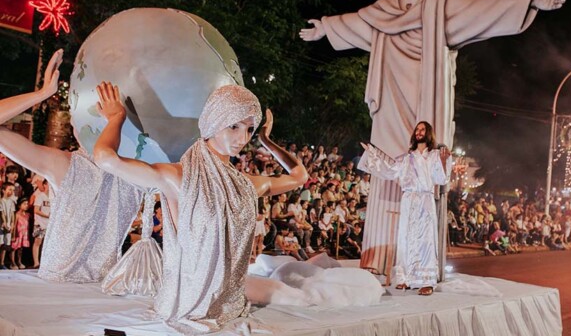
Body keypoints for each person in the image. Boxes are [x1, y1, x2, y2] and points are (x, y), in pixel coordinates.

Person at [300, 0, 567, 275]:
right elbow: (356, 23)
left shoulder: (440, 6)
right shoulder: (386, 9)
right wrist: (325, 27)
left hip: (424, 99)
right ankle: (379, 260)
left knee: (422, 176)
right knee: (386, 172)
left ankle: (419, 265)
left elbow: (484, 11)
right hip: (390, 104)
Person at [93, 82, 308, 333]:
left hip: (230, 306)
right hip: (187, 305)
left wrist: (266, 141)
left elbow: (299, 176)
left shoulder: (245, 184)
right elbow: (105, 158)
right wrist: (116, 118)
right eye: (234, 126)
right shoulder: (178, 177)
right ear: (214, 121)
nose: (243, 138)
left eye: (250, 129)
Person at [0, 49, 144, 282]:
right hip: (103, 291)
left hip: (58, 290)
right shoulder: (140, 172)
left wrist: (42, 93)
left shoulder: (69, 166)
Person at [358, 121, 451, 296]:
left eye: (422, 129)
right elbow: (388, 171)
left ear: (428, 133)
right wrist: (371, 153)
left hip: (425, 200)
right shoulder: (406, 158)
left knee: (425, 241)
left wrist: (444, 162)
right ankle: (405, 278)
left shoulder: (435, 155)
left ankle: (426, 281)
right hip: (408, 200)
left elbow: (441, 179)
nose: (419, 132)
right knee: (406, 238)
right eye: (417, 129)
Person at [10, 197, 30, 269]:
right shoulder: (17, 214)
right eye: (24, 204)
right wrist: (13, 235)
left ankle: (19, 261)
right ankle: (12, 262)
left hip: (24, 234)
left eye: (27, 204)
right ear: (19, 205)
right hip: (18, 234)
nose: (26, 205)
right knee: (14, 248)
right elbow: (14, 225)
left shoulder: (28, 215)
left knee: (20, 249)